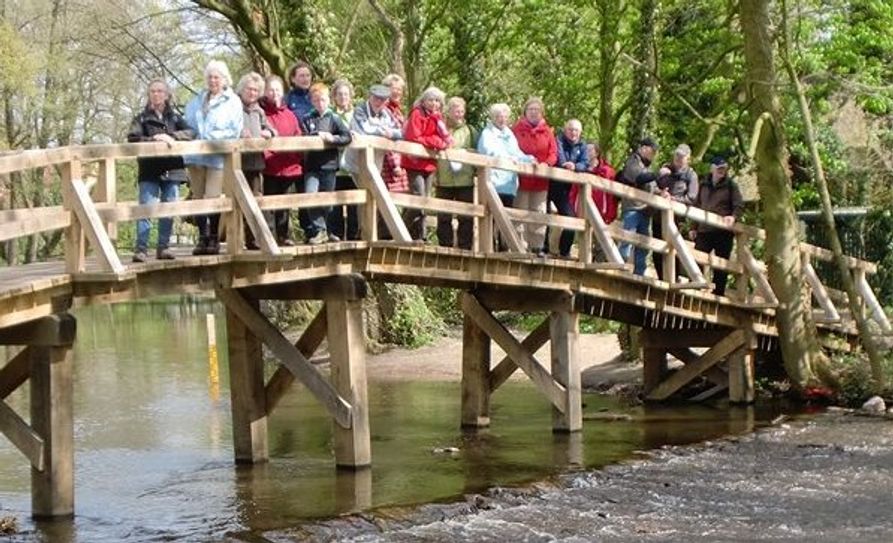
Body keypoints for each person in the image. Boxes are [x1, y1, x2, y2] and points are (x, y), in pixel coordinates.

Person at [126, 79, 195, 263]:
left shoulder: (174, 118)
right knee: (146, 208)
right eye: (152, 91)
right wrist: (154, 140)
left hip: (172, 169)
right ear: (149, 95)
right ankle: (141, 249)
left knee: (169, 208)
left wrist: (170, 136)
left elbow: (191, 133)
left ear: (166, 95)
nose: (156, 94)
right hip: (149, 169)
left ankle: (163, 247)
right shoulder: (141, 118)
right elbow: (133, 138)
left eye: (159, 91)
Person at [184, 59, 243, 255]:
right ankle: (203, 237)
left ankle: (215, 238)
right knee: (198, 197)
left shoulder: (232, 101)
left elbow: (234, 130)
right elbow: (188, 126)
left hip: (217, 155)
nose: (213, 81)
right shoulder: (197, 101)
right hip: (195, 156)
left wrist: (209, 138)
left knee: (213, 196)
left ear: (224, 79)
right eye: (210, 77)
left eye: (217, 77)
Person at [299, 82, 352, 245]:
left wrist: (333, 138)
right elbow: (303, 135)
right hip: (312, 166)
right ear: (312, 101)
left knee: (328, 201)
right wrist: (317, 134)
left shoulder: (334, 118)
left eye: (323, 99)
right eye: (316, 100)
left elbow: (347, 137)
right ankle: (319, 230)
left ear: (328, 100)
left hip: (329, 165)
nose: (320, 103)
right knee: (311, 195)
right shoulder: (307, 118)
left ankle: (327, 230)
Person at [477, 103, 534, 250]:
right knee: (491, 216)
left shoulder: (509, 135)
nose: (501, 119)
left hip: (508, 183)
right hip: (493, 181)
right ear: (493, 118)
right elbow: (487, 151)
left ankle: (503, 246)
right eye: (498, 116)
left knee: (506, 215)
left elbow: (516, 153)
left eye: (504, 116)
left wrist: (529, 159)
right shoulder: (487, 133)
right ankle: (489, 246)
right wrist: (508, 159)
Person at [402, 86, 452, 241]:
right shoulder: (417, 113)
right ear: (423, 101)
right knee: (418, 196)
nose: (434, 103)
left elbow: (446, 140)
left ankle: (420, 235)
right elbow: (414, 136)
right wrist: (434, 142)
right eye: (431, 100)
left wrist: (437, 142)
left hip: (429, 164)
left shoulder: (438, 118)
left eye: (437, 100)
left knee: (426, 199)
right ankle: (402, 228)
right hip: (414, 162)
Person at [691, 156, 743, 296]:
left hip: (722, 231)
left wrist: (733, 217)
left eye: (724, 169)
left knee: (721, 263)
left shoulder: (731, 186)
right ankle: (695, 286)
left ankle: (718, 292)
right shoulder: (704, 184)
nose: (722, 171)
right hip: (704, 229)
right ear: (712, 168)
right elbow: (697, 205)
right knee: (698, 258)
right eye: (719, 168)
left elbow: (738, 205)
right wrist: (693, 227)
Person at [260, 74, 302, 247]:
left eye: (277, 90)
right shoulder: (262, 113)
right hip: (270, 166)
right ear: (265, 92)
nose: (274, 93)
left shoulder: (289, 114)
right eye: (271, 90)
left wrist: (296, 157)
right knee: (269, 203)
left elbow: (298, 135)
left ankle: (283, 236)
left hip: (288, 165)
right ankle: (269, 236)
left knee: (285, 204)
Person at [512, 97, 557, 256]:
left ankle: (537, 246)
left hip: (540, 180)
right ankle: (519, 245)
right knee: (520, 211)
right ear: (525, 112)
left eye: (536, 110)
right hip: (522, 178)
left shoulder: (547, 131)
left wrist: (547, 164)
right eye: (530, 110)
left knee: (538, 212)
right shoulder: (517, 129)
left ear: (541, 113)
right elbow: (512, 149)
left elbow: (553, 153)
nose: (533, 113)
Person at [237, 72, 275, 250]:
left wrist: (269, 133)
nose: (252, 93)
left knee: (256, 200)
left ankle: (253, 239)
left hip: (255, 162)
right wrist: (239, 133)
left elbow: (269, 128)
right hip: (237, 162)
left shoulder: (258, 110)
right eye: (249, 89)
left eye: (255, 90)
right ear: (242, 89)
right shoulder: (234, 106)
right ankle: (237, 241)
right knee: (237, 202)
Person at [435, 97, 477, 250]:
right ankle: (444, 246)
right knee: (443, 215)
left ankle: (465, 247)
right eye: (456, 110)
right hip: (444, 178)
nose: (459, 114)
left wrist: (468, 153)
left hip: (465, 179)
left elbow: (479, 152)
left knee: (466, 216)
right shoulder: (440, 128)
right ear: (449, 111)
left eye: (461, 111)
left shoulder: (470, 131)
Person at [653, 143, 699, 280]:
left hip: (677, 219)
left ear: (688, 158)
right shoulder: (665, 170)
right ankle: (661, 277)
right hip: (659, 216)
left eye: (682, 156)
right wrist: (660, 192)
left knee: (675, 249)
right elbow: (652, 185)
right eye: (677, 155)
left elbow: (692, 197)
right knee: (656, 248)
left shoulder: (691, 175)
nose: (678, 159)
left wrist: (673, 199)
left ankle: (674, 278)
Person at [616, 137, 660, 275]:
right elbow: (638, 178)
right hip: (632, 207)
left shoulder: (646, 166)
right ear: (644, 148)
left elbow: (651, 185)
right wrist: (658, 174)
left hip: (645, 210)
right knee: (627, 239)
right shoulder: (633, 161)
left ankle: (639, 272)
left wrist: (661, 192)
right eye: (652, 151)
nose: (653, 154)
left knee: (643, 243)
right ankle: (619, 267)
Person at [550, 119, 588, 257]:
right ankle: (543, 249)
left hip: (566, 189)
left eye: (576, 130)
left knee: (571, 218)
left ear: (580, 132)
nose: (573, 133)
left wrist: (575, 166)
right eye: (570, 129)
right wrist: (568, 165)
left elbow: (585, 164)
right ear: (565, 130)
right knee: (544, 215)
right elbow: (559, 158)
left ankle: (564, 251)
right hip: (551, 183)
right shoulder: (558, 140)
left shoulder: (582, 146)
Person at [330, 79, 360, 241]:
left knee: (354, 203)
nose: (343, 97)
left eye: (346, 94)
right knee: (335, 203)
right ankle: (337, 235)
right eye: (340, 94)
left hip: (353, 165)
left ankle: (354, 235)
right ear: (334, 96)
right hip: (335, 165)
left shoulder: (356, 114)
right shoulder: (330, 114)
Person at [570, 143, 617, 224]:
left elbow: (611, 196)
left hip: (600, 214)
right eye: (585, 150)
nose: (587, 152)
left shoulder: (607, 172)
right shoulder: (580, 170)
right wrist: (573, 209)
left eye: (590, 150)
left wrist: (610, 215)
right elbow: (573, 192)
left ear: (597, 153)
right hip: (581, 212)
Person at [380, 73, 409, 194]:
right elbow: (387, 137)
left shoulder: (398, 110)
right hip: (388, 165)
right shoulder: (384, 110)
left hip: (401, 160)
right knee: (389, 199)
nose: (397, 92)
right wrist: (395, 164)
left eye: (399, 89)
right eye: (394, 89)